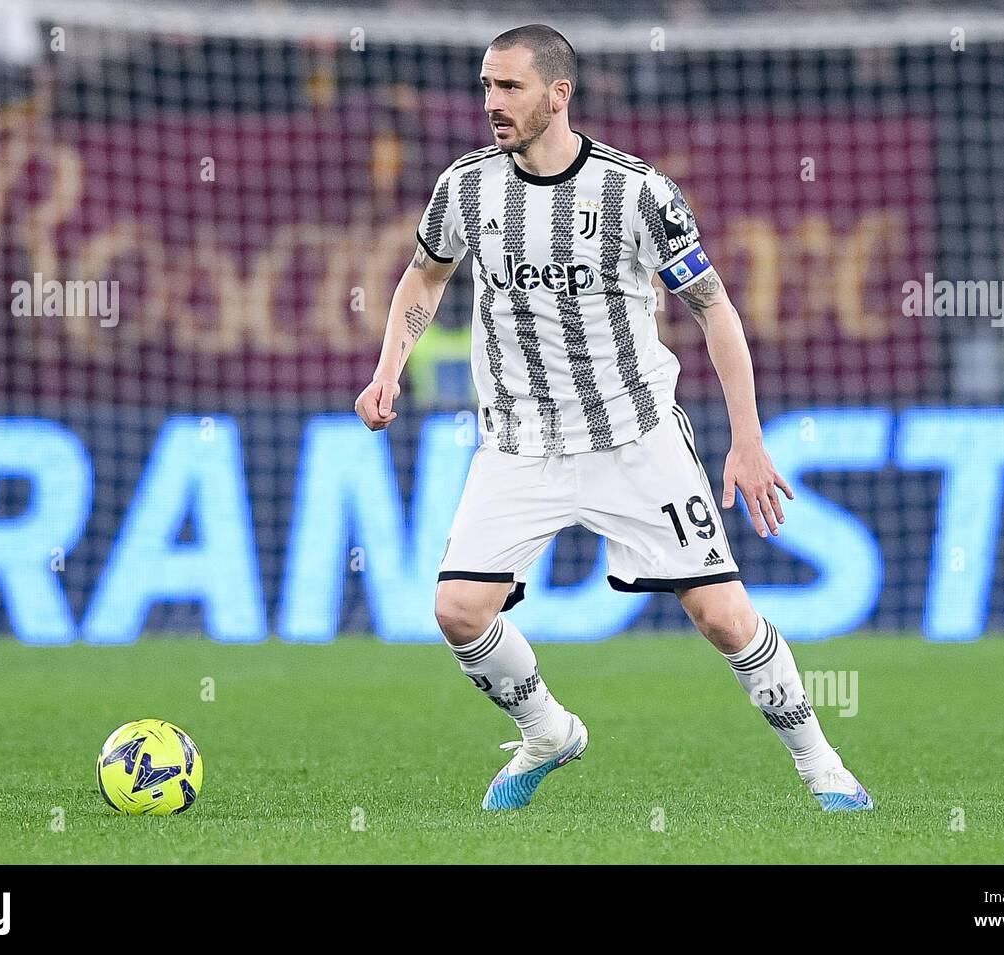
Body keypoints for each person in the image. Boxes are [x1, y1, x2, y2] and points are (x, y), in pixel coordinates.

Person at [355, 24, 873, 812]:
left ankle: (822, 765)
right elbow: (424, 277)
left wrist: (748, 438)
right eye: (486, 87)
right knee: (458, 610)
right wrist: (388, 367)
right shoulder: (464, 186)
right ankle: (548, 732)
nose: (491, 104)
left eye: (509, 88)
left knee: (725, 619)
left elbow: (714, 309)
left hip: (635, 436)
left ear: (557, 95)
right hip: (520, 441)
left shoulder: (638, 192)